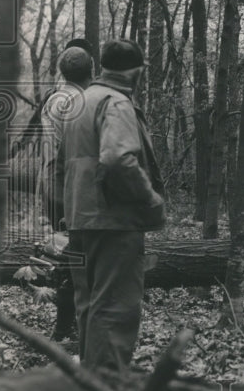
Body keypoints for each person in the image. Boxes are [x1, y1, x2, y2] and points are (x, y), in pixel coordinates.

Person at [60, 38, 166, 370]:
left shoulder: (80, 101)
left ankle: (91, 387)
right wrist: (149, 199)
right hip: (113, 222)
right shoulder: (117, 103)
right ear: (136, 72)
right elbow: (119, 159)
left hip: (80, 218)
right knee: (115, 308)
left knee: (90, 306)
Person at [37, 41, 94, 341]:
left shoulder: (53, 98)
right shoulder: (82, 102)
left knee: (66, 252)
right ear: (92, 70)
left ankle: (67, 325)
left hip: (51, 181)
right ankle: (66, 327)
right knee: (77, 254)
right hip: (70, 184)